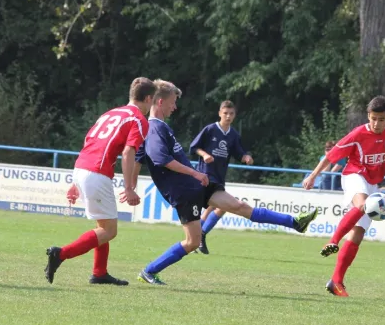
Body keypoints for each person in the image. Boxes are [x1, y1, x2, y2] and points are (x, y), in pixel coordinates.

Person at [134, 80, 319, 285]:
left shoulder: (161, 128)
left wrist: (130, 185)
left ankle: (295, 222)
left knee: (239, 206)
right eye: (173, 102)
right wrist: (195, 174)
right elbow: (162, 160)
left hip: (196, 185)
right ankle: (149, 271)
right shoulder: (155, 128)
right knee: (192, 241)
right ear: (160, 102)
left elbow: (137, 156)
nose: (175, 107)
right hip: (184, 191)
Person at [302, 96, 385, 297]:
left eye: (381, 119)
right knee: (363, 204)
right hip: (354, 174)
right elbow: (331, 156)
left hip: (373, 182)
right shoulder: (358, 134)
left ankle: (336, 282)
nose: (376, 123)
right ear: (368, 116)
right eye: (373, 118)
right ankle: (333, 241)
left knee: (358, 233)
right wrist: (312, 176)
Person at [44, 77, 157, 286]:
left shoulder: (110, 113)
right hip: (97, 172)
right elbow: (128, 152)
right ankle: (61, 254)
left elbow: (89, 142)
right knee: (109, 231)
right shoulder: (138, 119)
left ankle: (99, 273)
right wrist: (129, 188)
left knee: (102, 225)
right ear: (149, 98)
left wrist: (75, 180)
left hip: (82, 167)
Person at [189, 100, 253, 255]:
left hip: (219, 176)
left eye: (231, 114)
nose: (228, 116)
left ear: (235, 115)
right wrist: (204, 155)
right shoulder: (210, 129)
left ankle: (200, 236)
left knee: (220, 207)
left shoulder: (233, 135)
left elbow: (238, 152)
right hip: (205, 175)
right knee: (215, 207)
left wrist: (245, 157)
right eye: (225, 113)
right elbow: (194, 147)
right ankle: (197, 238)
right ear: (219, 113)